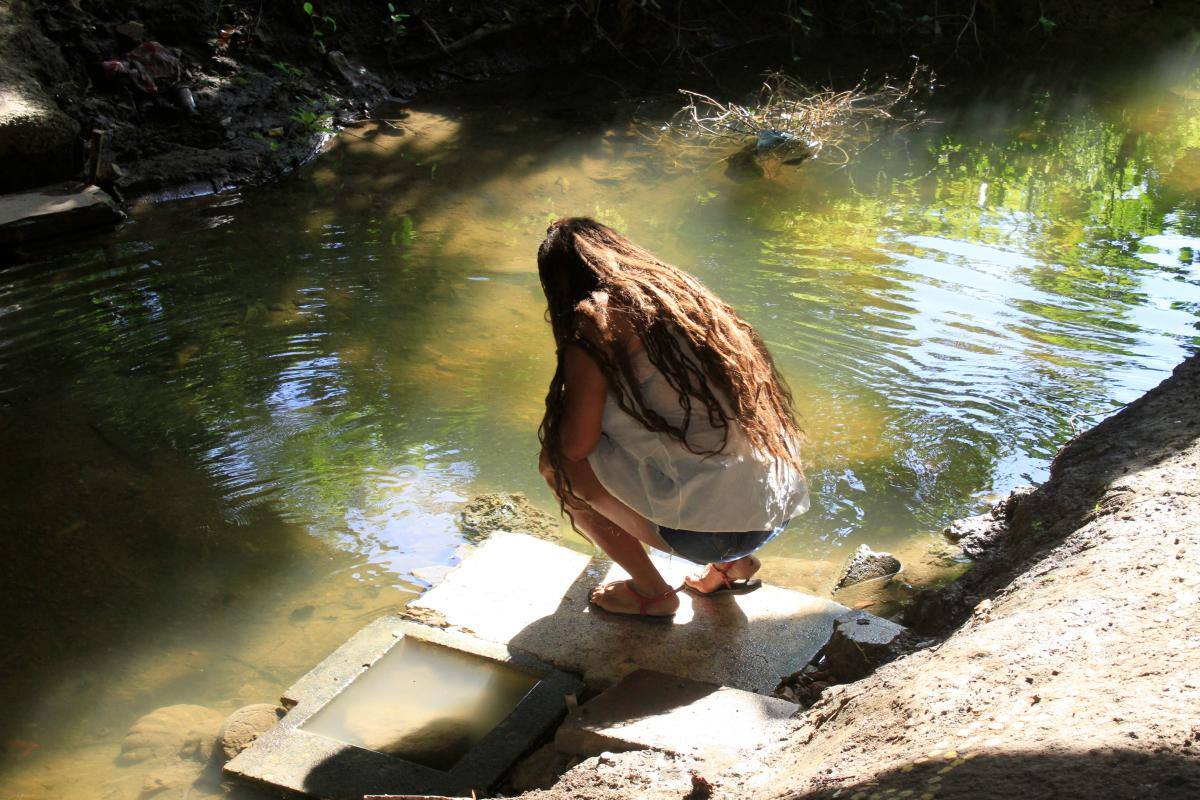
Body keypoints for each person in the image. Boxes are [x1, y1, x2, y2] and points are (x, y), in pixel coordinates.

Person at [536, 217, 810, 619]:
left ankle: (652, 593)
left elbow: (574, 447)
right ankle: (735, 566)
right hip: (775, 511)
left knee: (557, 462)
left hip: (710, 535)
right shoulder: (690, 300)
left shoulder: (596, 320)